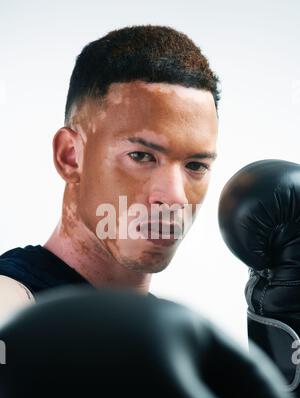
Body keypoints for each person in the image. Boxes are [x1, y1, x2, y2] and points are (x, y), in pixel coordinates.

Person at [0, 24, 219, 314]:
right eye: (141, 156)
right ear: (70, 157)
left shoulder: (179, 333)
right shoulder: (13, 301)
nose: (175, 198)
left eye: (195, 165)